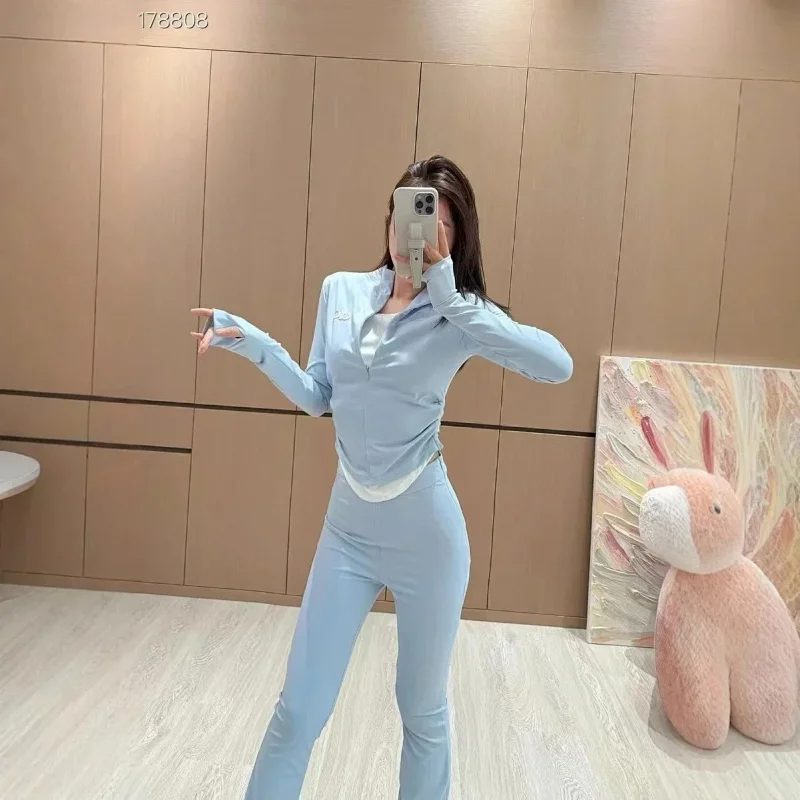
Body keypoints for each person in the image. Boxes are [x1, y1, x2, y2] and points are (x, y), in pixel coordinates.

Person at [190, 155, 573, 800]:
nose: (412, 235)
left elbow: (556, 365)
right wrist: (250, 341)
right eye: (407, 214)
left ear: (455, 237)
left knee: (421, 711)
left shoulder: (459, 318)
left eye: (435, 223)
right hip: (348, 531)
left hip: (427, 537)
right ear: (389, 218)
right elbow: (319, 396)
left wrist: (450, 295)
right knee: (298, 710)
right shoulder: (341, 291)